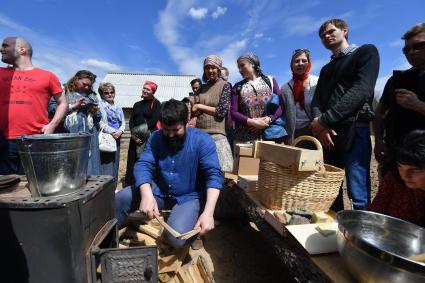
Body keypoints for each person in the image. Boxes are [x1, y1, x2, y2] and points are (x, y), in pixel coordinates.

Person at [115, 99, 223, 249]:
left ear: (186, 123)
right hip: (160, 190)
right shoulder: (156, 137)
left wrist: (209, 212)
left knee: (176, 239)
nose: (170, 135)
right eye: (166, 130)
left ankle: (195, 228)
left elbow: (214, 176)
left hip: (189, 196)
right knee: (121, 198)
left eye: (176, 130)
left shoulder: (203, 140)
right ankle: (109, 238)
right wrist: (146, 195)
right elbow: (143, 164)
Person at [310, 19, 380, 211]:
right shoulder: (326, 69)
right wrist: (320, 125)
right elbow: (317, 101)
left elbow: (361, 91)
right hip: (329, 134)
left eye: (331, 31)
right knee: (331, 189)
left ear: (345, 30)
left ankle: (360, 238)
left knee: (358, 193)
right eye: (322, 35)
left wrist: (324, 120)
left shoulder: (365, 52)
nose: (326, 36)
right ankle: (336, 236)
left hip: (355, 128)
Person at [0, 36, 67, 175]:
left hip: (35, 141)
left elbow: (63, 103)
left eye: (5, 45)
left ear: (22, 50)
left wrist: (52, 125)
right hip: (2, 141)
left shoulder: (47, 76)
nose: (1, 49)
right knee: (5, 188)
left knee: (34, 186)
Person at [374, 23, 425, 176]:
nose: (411, 52)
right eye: (406, 49)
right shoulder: (396, 80)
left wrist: (419, 105)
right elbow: (378, 113)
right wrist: (378, 141)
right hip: (397, 158)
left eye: (419, 46)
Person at [368, 130, 425, 227]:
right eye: (400, 167)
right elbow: (374, 214)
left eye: (415, 170)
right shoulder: (393, 179)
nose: (406, 176)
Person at [230, 53, 286, 144]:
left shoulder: (270, 81)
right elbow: (233, 112)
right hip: (245, 140)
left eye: (242, 65)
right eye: (238, 67)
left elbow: (281, 105)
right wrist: (251, 122)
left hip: (271, 137)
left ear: (252, 64)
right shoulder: (237, 87)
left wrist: (269, 119)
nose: (240, 70)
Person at [192, 55, 233, 172]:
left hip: (217, 135)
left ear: (219, 69)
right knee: (199, 173)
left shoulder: (225, 85)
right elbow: (192, 104)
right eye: (207, 68)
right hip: (199, 135)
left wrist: (200, 106)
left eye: (213, 67)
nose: (210, 70)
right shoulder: (202, 88)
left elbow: (221, 111)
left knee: (224, 171)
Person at [62, 70, 102, 175]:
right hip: (70, 132)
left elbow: (98, 117)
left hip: (89, 133)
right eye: (84, 84)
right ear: (76, 79)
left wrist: (94, 111)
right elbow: (53, 109)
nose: (87, 88)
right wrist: (74, 106)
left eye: (89, 86)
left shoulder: (92, 96)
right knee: (72, 160)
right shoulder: (64, 92)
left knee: (90, 159)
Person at [124, 81, 161, 186]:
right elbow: (131, 120)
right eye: (144, 88)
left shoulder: (156, 103)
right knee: (133, 159)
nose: (145, 90)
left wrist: (140, 132)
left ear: (153, 92)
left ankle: (146, 183)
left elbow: (154, 120)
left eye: (148, 89)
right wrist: (133, 134)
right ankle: (131, 183)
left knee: (145, 159)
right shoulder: (137, 104)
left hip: (147, 136)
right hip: (135, 136)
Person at [281, 49, 319, 145]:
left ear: (309, 63)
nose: (300, 64)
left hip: (314, 131)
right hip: (294, 134)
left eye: (304, 61)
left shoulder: (317, 82)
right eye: (296, 61)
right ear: (291, 65)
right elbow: (282, 112)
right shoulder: (285, 88)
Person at [98, 82, 125, 187]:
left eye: (112, 92)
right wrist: (113, 132)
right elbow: (100, 122)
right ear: (102, 94)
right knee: (107, 163)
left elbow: (123, 122)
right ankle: (106, 187)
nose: (110, 94)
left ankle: (113, 186)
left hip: (117, 136)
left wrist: (121, 131)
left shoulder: (118, 106)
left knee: (116, 161)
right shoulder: (100, 105)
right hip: (108, 137)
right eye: (106, 93)